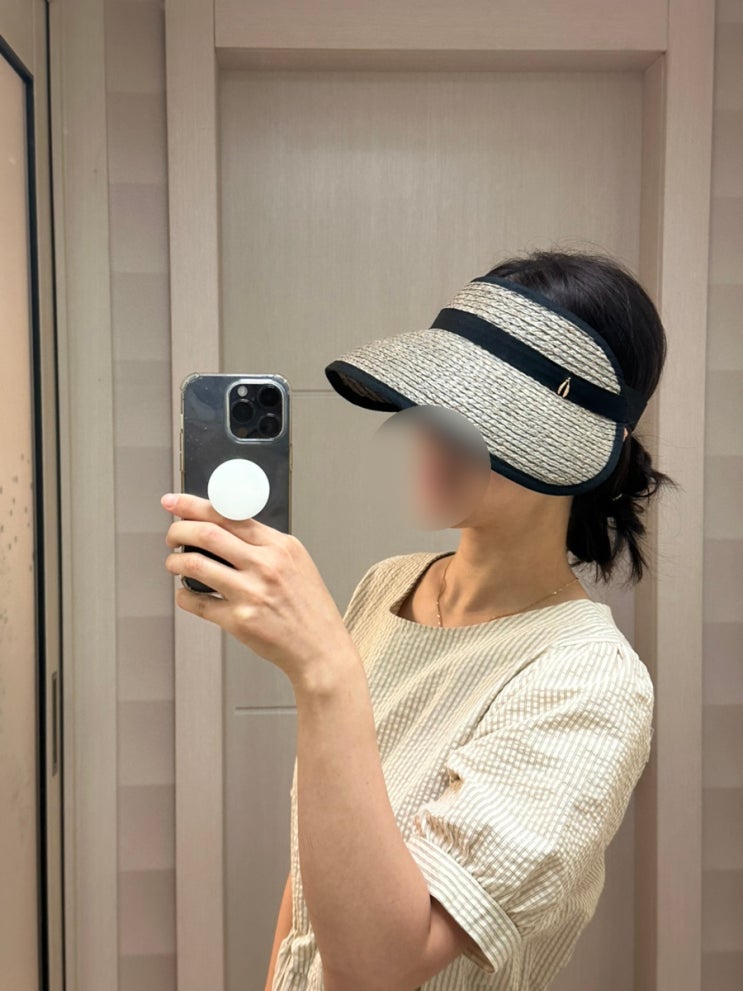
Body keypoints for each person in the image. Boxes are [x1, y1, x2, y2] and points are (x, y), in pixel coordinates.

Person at [162, 248, 677, 991]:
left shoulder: (588, 681)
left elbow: (381, 968)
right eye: (436, 398)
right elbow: (314, 876)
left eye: (488, 414)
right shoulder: (388, 585)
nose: (434, 432)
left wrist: (322, 669)